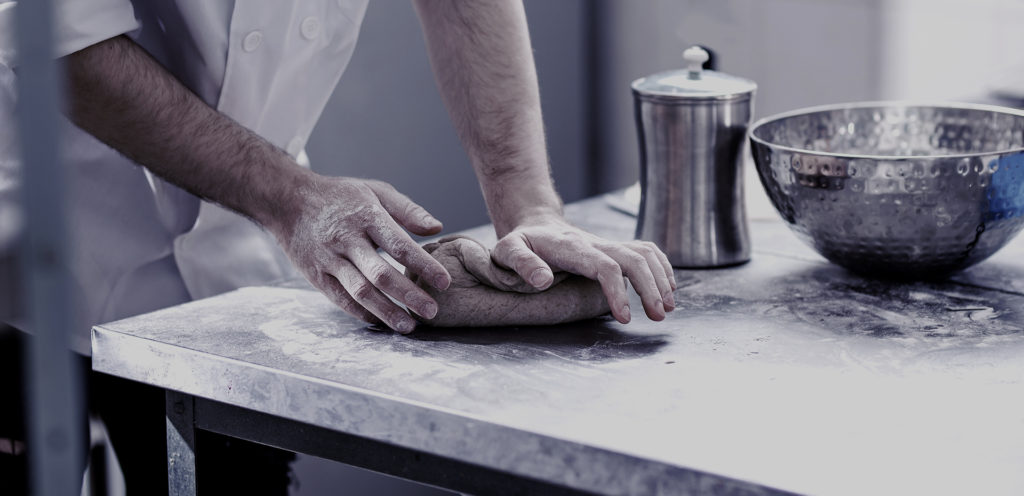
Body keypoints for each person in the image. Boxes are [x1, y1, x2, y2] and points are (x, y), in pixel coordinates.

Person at [0, 0, 676, 494]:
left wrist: (527, 204)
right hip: (30, 235)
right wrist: (290, 198)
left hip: (227, 262)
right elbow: (61, 44)